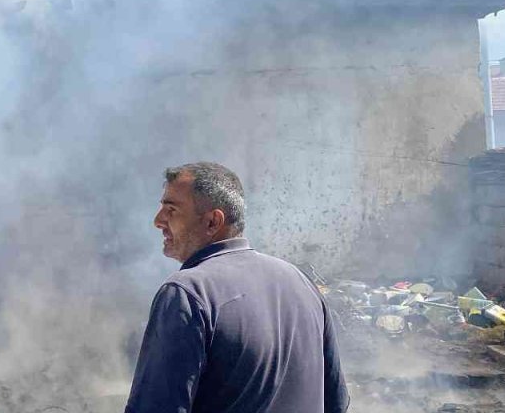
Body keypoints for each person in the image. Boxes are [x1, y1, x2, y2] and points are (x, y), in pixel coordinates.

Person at [125, 162, 348, 413]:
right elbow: (336, 403)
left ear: (212, 221)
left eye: (171, 209)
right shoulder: (301, 283)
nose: (158, 221)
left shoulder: (187, 292)